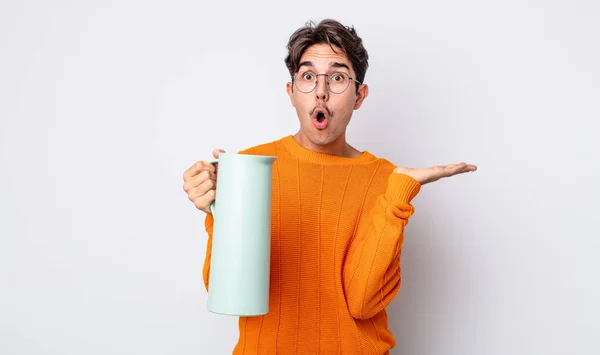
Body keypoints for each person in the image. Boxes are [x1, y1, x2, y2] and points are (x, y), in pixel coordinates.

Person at [183, 19, 476, 355]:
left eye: (337, 77)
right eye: (308, 77)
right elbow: (227, 292)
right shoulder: (250, 167)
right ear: (291, 92)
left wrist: (398, 196)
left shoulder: (387, 179)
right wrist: (220, 210)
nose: (321, 91)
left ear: (359, 96)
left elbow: (362, 303)